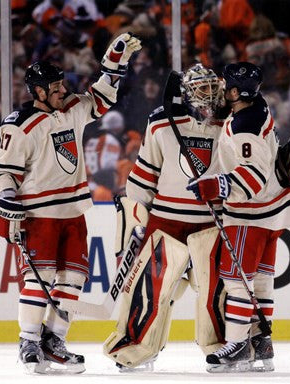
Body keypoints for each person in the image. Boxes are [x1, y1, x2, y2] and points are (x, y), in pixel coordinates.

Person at [0, 33, 141, 374]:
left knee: (72, 280)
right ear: (38, 92)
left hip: (73, 212)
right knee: (38, 279)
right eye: (55, 87)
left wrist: (115, 62)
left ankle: (54, 340)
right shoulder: (19, 126)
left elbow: (101, 98)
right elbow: (3, 173)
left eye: (62, 84)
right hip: (38, 215)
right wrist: (8, 198)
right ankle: (28, 340)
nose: (62, 90)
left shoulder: (72, 108)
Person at [186, 62, 290, 373]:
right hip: (273, 211)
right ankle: (263, 343)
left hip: (251, 215)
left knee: (236, 282)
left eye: (225, 85)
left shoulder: (244, 126)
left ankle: (238, 346)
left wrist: (216, 184)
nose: (219, 88)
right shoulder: (257, 105)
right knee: (260, 281)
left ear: (234, 93)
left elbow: (253, 177)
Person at [103, 63, 228, 371]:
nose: (210, 95)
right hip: (165, 220)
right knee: (148, 287)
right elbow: (145, 174)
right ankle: (135, 347)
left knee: (219, 290)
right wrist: (134, 215)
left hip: (213, 221)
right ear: (186, 93)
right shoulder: (161, 122)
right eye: (202, 88)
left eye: (214, 88)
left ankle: (224, 347)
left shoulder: (231, 124)